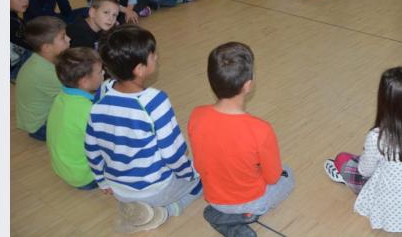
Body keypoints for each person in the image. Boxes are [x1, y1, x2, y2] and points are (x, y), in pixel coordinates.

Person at [85, 25, 202, 233]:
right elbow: (173, 154)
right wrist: (191, 173)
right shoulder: (154, 101)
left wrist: (102, 182)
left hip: (118, 188)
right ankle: (168, 210)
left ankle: (136, 206)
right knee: (205, 176)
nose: (156, 57)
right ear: (139, 69)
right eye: (153, 55)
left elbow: (91, 147)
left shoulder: (101, 95)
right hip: (155, 189)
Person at [323, 66, 402, 233]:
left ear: (383, 100)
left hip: (394, 204)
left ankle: (343, 176)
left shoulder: (378, 136)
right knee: (382, 162)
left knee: (342, 159)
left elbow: (365, 171)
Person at [189, 42, 294, 236]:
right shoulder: (261, 129)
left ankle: (223, 214)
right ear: (248, 85)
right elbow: (272, 177)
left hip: (212, 197)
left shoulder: (196, 115)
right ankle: (242, 216)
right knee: (287, 174)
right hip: (250, 201)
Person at [46, 47, 104, 190]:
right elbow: (108, 143)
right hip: (84, 177)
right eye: (100, 71)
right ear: (84, 82)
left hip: (65, 168)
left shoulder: (62, 96)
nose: (104, 73)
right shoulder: (87, 111)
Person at [15, 16, 71, 141]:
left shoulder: (43, 59)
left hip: (39, 119)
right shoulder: (44, 72)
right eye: (63, 37)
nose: (69, 39)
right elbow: (77, 96)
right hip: (40, 127)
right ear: (46, 48)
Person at [11, 0, 32, 80]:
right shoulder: (11, 23)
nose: (25, 1)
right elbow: (30, 44)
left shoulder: (14, 16)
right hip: (14, 67)